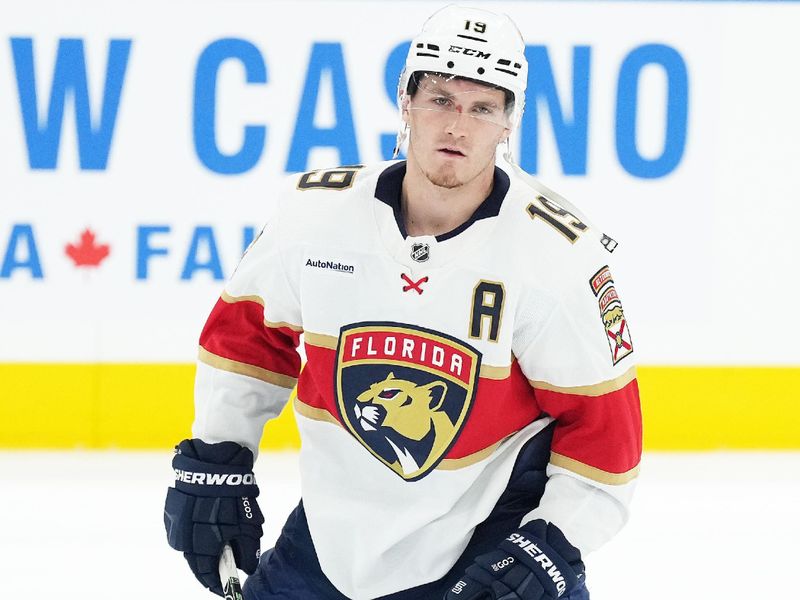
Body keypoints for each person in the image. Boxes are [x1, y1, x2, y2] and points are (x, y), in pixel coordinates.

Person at [164, 5, 641, 600]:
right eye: (440, 99)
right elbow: (247, 339)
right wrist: (218, 453)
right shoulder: (315, 217)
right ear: (406, 101)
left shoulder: (557, 255)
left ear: (507, 123)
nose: (457, 128)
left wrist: (554, 544)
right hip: (331, 544)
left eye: (482, 108)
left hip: (485, 546)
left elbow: (606, 430)